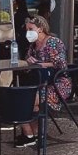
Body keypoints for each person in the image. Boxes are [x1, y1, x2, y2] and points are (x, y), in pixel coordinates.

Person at [18, 15, 72, 147]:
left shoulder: (54, 42)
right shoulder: (32, 45)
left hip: (57, 82)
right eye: (27, 30)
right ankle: (31, 134)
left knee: (26, 101)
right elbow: (27, 62)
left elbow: (61, 64)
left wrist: (41, 64)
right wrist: (30, 61)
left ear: (41, 29)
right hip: (39, 81)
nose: (28, 32)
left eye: (31, 29)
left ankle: (30, 134)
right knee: (24, 99)